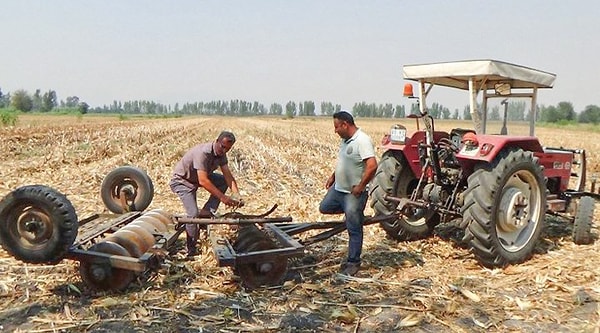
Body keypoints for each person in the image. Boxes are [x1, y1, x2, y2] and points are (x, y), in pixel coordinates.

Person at [319, 111, 377, 276]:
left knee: (354, 228)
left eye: (337, 127)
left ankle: (353, 262)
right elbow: (343, 162)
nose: (335, 130)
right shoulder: (345, 141)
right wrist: (333, 176)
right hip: (339, 189)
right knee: (324, 207)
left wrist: (360, 186)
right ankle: (353, 214)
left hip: (353, 193)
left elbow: (372, 166)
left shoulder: (362, 140)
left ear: (345, 124)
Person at [170, 131, 243, 257]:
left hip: (195, 178)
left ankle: (206, 212)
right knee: (192, 215)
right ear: (217, 141)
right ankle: (191, 250)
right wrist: (223, 198)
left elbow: (228, 176)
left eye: (228, 149)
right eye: (223, 147)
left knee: (222, 181)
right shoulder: (203, 153)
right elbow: (203, 180)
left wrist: (237, 195)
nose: (224, 151)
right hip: (183, 181)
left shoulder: (222, 154)